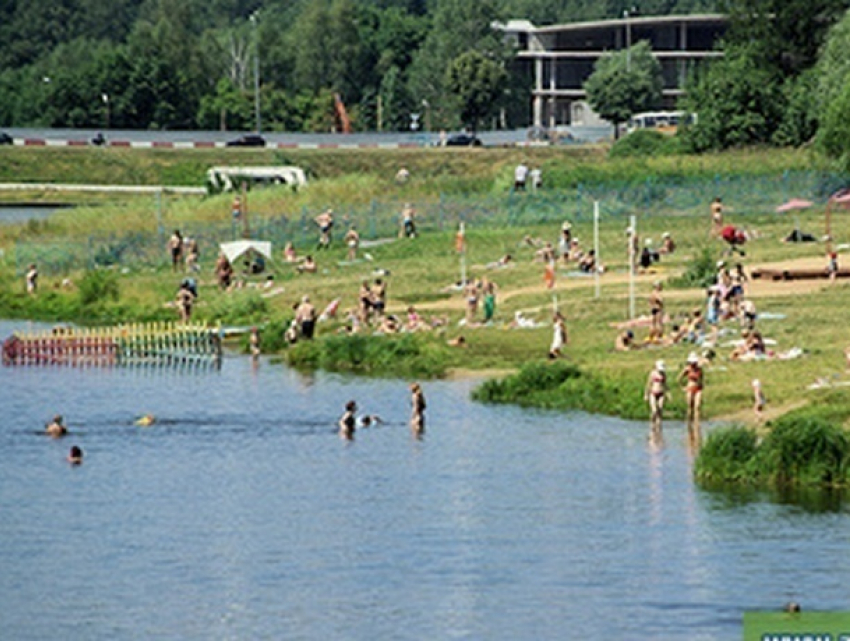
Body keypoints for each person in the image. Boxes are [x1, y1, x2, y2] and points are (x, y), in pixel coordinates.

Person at [679, 352, 704, 444]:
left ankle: (697, 423)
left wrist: (701, 385)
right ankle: (689, 422)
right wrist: (683, 387)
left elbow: (702, 378)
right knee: (690, 406)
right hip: (690, 388)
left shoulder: (700, 369)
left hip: (698, 388)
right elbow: (679, 378)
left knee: (697, 406)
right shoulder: (687, 369)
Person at [644, 360, 668, 437]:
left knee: (660, 409)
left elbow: (665, 384)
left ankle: (659, 426)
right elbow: (648, 384)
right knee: (654, 410)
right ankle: (652, 424)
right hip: (653, 393)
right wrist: (646, 394)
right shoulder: (652, 373)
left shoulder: (664, 374)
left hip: (661, 393)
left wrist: (668, 393)